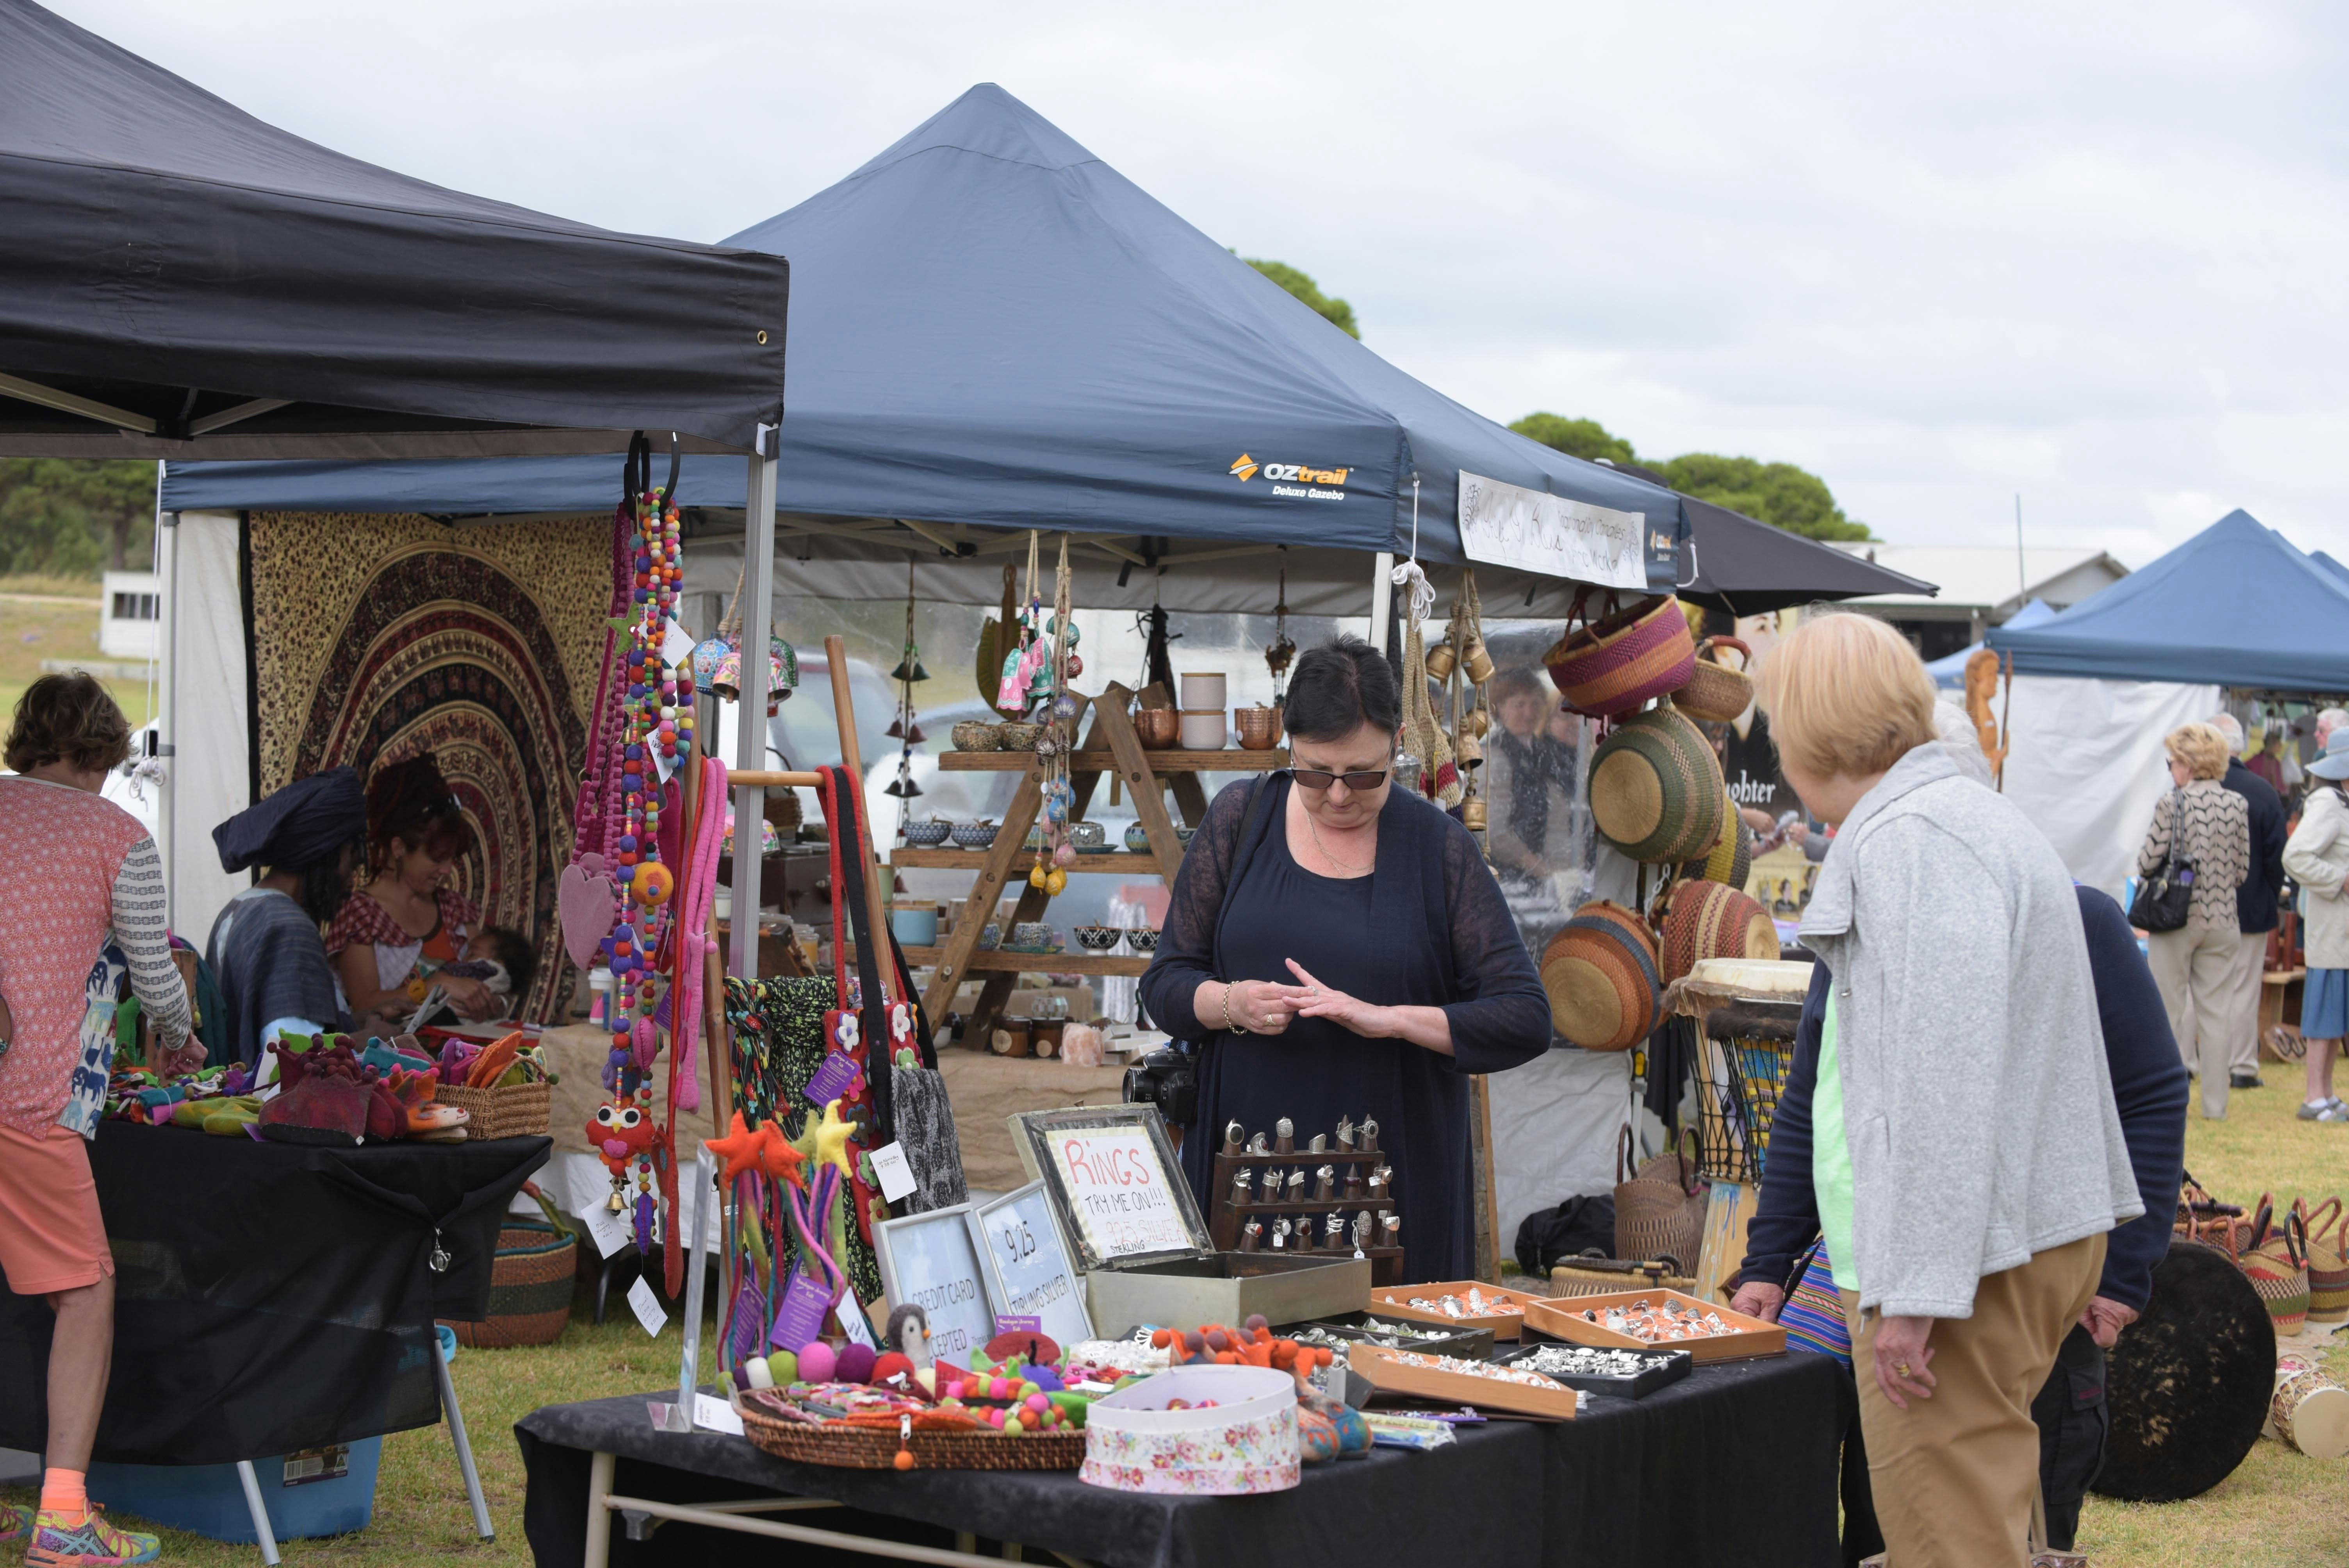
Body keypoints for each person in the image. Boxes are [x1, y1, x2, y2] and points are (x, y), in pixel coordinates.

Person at [1735, 706, 2190, 1561]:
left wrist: (2122, 1275)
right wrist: (1767, 1263)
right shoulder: (1864, 919)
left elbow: (2152, 1092)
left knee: (2013, 1521)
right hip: (1878, 1267)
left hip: (2010, 1263)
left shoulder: (2072, 914)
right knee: (1899, 1508)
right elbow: (1814, 1103)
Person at [1137, 635, 1551, 1280]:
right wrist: (1229, 1003)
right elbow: (1164, 984)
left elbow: (1524, 1016)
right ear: (1289, 746)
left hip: (1393, 1197)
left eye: (1363, 775)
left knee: (1384, 1373)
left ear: (1398, 745)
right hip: (1247, 1183)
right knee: (1246, 1371)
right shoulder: (1240, 820)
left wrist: (1390, 1019)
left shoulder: (1436, 849)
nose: (1337, 796)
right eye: (1312, 773)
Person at [0, 674, 194, 1568]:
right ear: (105, 749)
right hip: (29, 1096)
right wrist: (183, 1036)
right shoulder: (120, 835)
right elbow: (156, 978)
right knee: (85, 1291)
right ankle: (62, 1516)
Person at [205, 768, 370, 1067]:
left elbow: (266, 1017)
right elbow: (298, 1058)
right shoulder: (289, 928)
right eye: (352, 862)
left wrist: (355, 1022)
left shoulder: (240, 907)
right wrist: (374, 1040)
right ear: (329, 853)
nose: (349, 882)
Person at [326, 755, 496, 1025]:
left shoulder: (454, 910)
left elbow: (490, 981)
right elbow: (365, 1004)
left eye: (451, 859)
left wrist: (489, 1000)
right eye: (436, 859)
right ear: (399, 849)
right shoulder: (360, 915)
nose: (446, 870)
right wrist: (435, 985)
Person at [2139, 723, 2252, 1117]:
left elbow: (2146, 862)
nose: (2170, 768)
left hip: (2176, 918)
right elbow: (2242, 871)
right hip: (2223, 920)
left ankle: (2167, 1103)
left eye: (2172, 761)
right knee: (2217, 1013)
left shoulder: (2172, 804)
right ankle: (2216, 1107)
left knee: (2166, 1011)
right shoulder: (2238, 804)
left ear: (2187, 763)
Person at [2210, 713, 2286, 1091]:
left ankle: (2190, 1060)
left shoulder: (2195, 789)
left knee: (2200, 986)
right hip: (2252, 906)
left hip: (2202, 909)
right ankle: (2241, 1065)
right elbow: (2277, 856)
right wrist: (2270, 894)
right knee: (2243, 989)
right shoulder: (2263, 791)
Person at [2283, 728, 2349, 1121]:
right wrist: (2340, 880)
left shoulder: (2341, 802)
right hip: (2330, 930)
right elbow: (2296, 856)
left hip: (2341, 933)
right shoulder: (2327, 801)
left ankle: (2326, 1093)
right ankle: (2313, 1096)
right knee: (2324, 1013)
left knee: (2335, 1013)